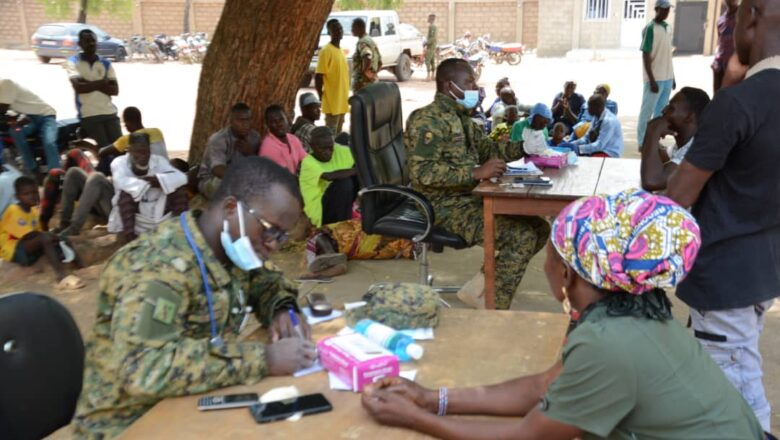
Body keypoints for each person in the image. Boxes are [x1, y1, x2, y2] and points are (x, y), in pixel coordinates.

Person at [361, 189, 766, 440]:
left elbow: (527, 436)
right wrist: (434, 400)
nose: (547, 268)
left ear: (569, 273)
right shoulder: (632, 314)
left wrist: (414, 420)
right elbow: (543, 387)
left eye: (549, 258)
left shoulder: (609, 343)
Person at [73, 157, 318, 438]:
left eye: (282, 237)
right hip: (128, 423)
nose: (273, 245)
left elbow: (268, 282)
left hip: (191, 405)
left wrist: (283, 309)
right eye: (270, 230)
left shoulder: (235, 247)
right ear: (230, 208)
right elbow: (144, 369)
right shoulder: (158, 267)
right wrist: (264, 359)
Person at [665, 0, 780, 429]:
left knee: (737, 393)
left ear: (750, 18)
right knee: (728, 372)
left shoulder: (737, 105)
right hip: (762, 269)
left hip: (722, 276)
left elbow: (677, 194)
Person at [404, 58, 549, 310]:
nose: (475, 88)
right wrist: (475, 172)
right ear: (450, 86)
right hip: (440, 205)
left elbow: (488, 148)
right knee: (521, 236)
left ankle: (480, 289)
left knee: (539, 227)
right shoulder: (426, 120)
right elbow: (423, 173)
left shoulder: (462, 119)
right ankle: (493, 308)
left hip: (468, 197)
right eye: (469, 82)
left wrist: (524, 146)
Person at [1, 176, 83, 287]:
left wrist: (55, 237)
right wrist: (51, 236)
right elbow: (28, 235)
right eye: (27, 194)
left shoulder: (34, 211)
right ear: (17, 197)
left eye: (34, 192)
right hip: (14, 249)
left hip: (29, 246)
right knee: (47, 238)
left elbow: (38, 232)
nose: (32, 196)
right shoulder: (13, 210)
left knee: (63, 239)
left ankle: (82, 268)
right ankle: (61, 277)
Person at [108, 133, 188, 243]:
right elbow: (122, 182)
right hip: (136, 218)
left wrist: (159, 181)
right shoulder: (119, 163)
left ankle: (181, 229)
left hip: (161, 212)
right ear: (129, 150)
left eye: (146, 151)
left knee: (179, 189)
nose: (144, 156)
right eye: (138, 152)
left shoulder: (158, 160)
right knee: (126, 194)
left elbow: (182, 178)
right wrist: (150, 182)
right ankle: (130, 239)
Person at [640, 87, 710, 191]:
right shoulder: (683, 145)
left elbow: (652, 181)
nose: (664, 111)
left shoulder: (696, 149)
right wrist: (653, 139)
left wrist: (653, 131)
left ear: (689, 116)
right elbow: (662, 156)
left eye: (671, 108)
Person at [65, 29, 122, 149]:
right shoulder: (73, 62)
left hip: (110, 113)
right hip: (89, 115)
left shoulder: (105, 63)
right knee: (104, 150)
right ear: (80, 44)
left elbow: (115, 90)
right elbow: (79, 88)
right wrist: (103, 83)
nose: (91, 44)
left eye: (93, 41)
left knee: (119, 149)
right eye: (87, 41)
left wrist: (88, 84)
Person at [196, 103, 260, 199]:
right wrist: (241, 180)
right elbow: (217, 169)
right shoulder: (218, 139)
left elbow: (259, 165)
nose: (245, 124)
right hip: (213, 179)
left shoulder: (254, 137)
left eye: (248, 120)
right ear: (231, 121)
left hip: (241, 178)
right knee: (224, 188)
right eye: (240, 120)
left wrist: (251, 153)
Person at [299, 126, 357, 228]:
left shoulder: (338, 150)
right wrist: (357, 170)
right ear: (312, 146)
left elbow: (360, 157)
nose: (328, 152)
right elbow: (329, 176)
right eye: (323, 148)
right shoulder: (308, 163)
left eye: (330, 147)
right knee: (343, 183)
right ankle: (341, 225)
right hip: (320, 212)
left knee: (357, 178)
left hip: (339, 204)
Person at [0, 78, 61, 172]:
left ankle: (55, 173)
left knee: (49, 142)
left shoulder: (6, 83)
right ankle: (31, 168)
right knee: (15, 131)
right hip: (28, 118)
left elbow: (2, 109)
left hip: (45, 116)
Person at [637, 0, 675, 148]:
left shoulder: (668, 28)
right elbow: (645, 55)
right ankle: (642, 142)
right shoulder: (650, 28)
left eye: (668, 10)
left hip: (667, 78)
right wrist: (651, 79)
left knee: (660, 113)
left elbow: (668, 55)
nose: (666, 12)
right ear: (656, 9)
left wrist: (673, 76)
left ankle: (654, 141)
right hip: (654, 78)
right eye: (664, 9)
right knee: (647, 111)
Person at [57, 166, 114, 237]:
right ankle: (64, 224)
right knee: (73, 172)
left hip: (119, 208)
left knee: (97, 178)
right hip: (108, 200)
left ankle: (74, 227)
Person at [315, 19, 350, 134]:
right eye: (335, 29)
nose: (339, 31)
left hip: (342, 102)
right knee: (330, 136)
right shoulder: (326, 51)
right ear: (329, 32)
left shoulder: (340, 51)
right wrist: (321, 97)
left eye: (340, 28)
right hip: (332, 103)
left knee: (338, 137)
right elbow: (318, 76)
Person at [98, 106, 168, 160]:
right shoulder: (157, 131)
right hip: (166, 171)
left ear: (128, 122)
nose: (125, 126)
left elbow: (102, 152)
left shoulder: (128, 138)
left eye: (124, 123)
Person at [259, 105, 307, 175]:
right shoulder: (268, 147)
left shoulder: (293, 139)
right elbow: (284, 175)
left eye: (281, 119)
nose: (279, 124)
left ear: (286, 119)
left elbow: (307, 160)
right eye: (274, 122)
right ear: (268, 125)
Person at [712, 0, 739, 92]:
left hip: (734, 65)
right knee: (717, 96)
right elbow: (720, 41)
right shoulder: (721, 20)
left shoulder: (743, 18)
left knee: (732, 96)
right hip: (720, 64)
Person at [352, 18, 382, 92]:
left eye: (353, 28)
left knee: (361, 103)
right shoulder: (370, 40)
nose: (351, 30)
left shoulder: (362, 42)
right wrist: (373, 74)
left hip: (363, 84)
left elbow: (367, 56)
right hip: (373, 82)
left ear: (359, 28)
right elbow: (380, 62)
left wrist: (364, 72)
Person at [424, 13, 438, 81]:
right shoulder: (432, 26)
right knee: (432, 61)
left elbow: (432, 38)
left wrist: (426, 43)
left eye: (429, 17)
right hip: (432, 46)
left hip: (431, 46)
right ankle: (433, 76)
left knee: (427, 61)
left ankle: (428, 76)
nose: (428, 19)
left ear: (431, 19)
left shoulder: (432, 27)